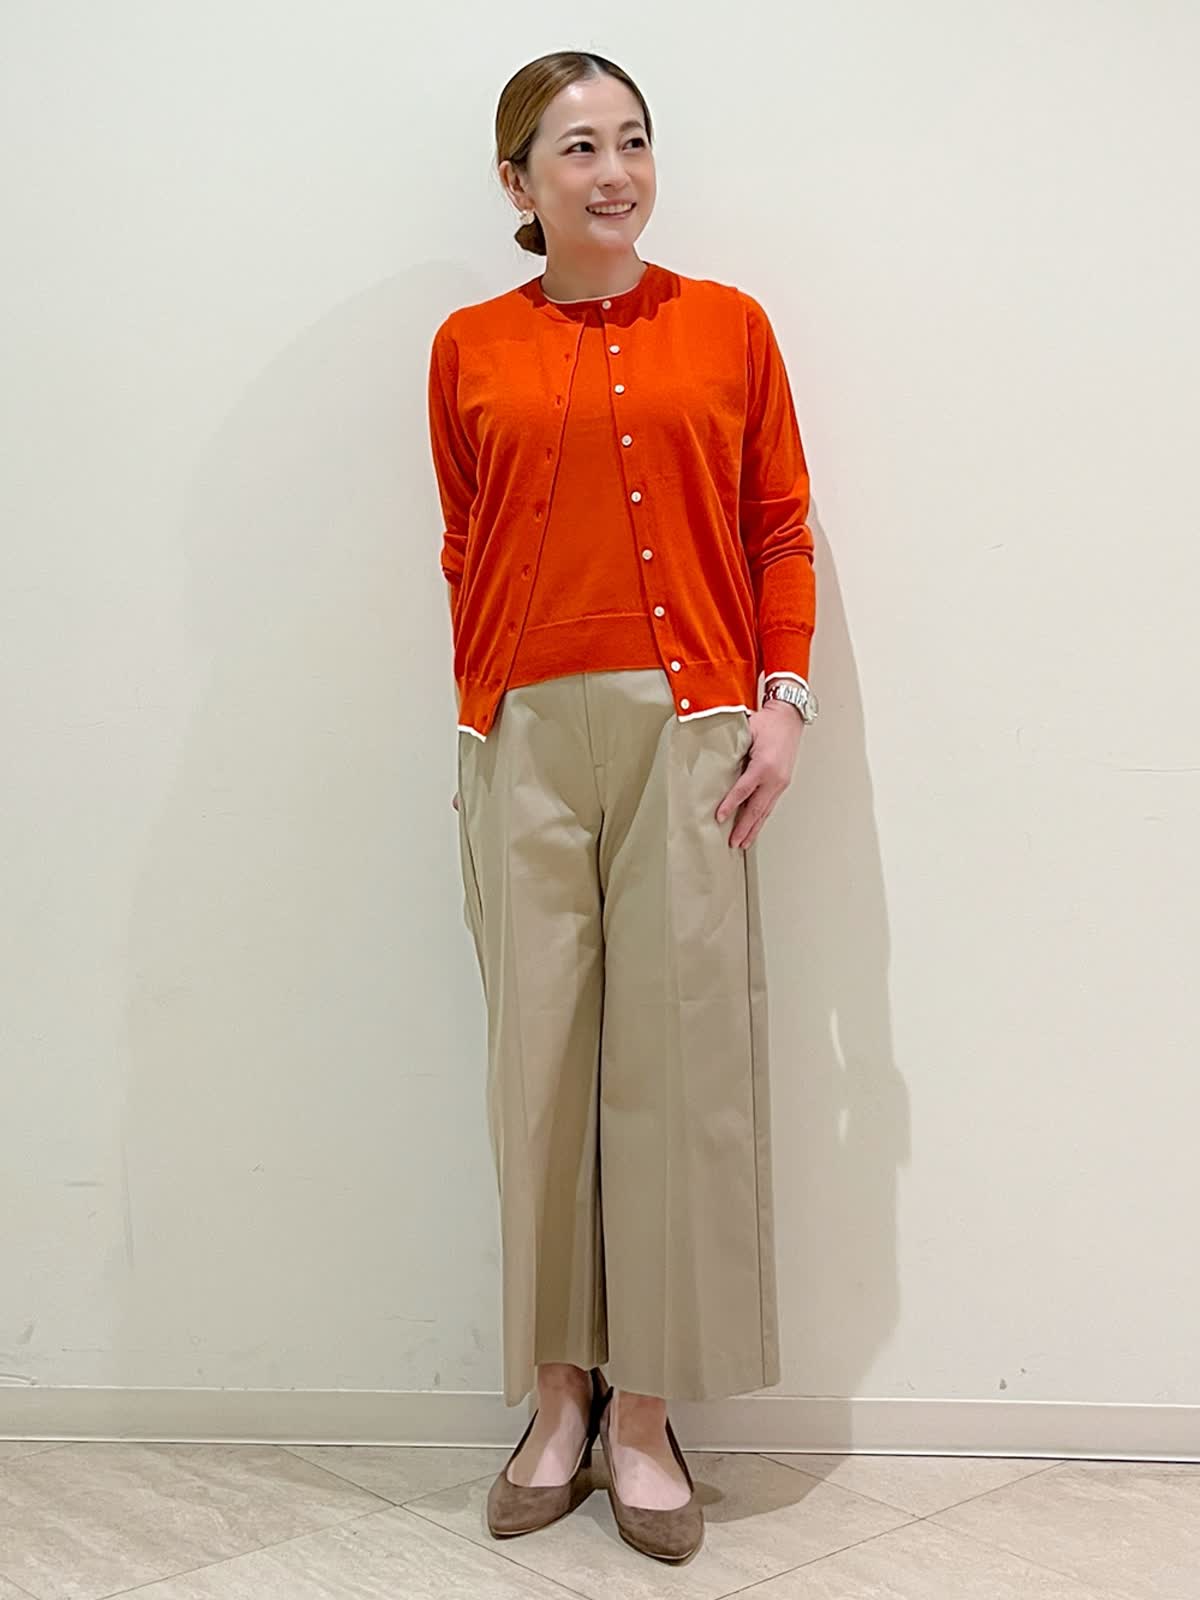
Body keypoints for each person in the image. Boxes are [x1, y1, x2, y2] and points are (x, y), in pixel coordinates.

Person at [426, 49, 819, 1563]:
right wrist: (491, 706)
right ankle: (556, 1400)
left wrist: (781, 700)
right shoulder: (468, 346)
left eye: (633, 140)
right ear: (519, 182)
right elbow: (464, 539)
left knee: (678, 1062)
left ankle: (645, 1414)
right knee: (537, 1065)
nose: (614, 172)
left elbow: (778, 525)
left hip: (693, 730)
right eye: (578, 147)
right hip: (521, 734)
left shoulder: (729, 328)